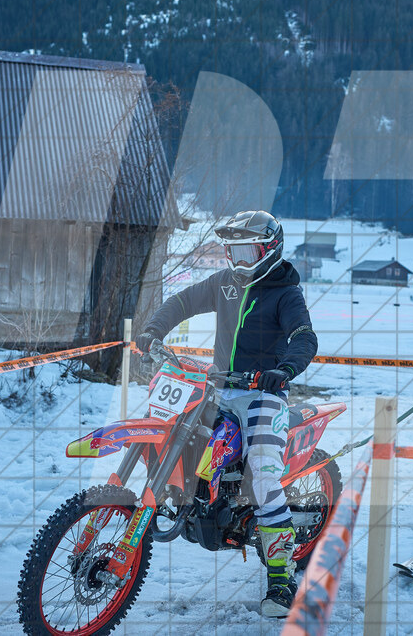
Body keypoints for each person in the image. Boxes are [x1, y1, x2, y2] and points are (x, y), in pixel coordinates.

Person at [134, 209, 318, 618]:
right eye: (233, 249)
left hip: (262, 394)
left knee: (265, 477)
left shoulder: (285, 293)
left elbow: (304, 336)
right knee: (176, 433)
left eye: (247, 250)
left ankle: (281, 577)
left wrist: (282, 370)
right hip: (217, 388)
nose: (239, 259)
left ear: (268, 249)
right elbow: (182, 301)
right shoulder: (225, 283)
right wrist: (152, 331)